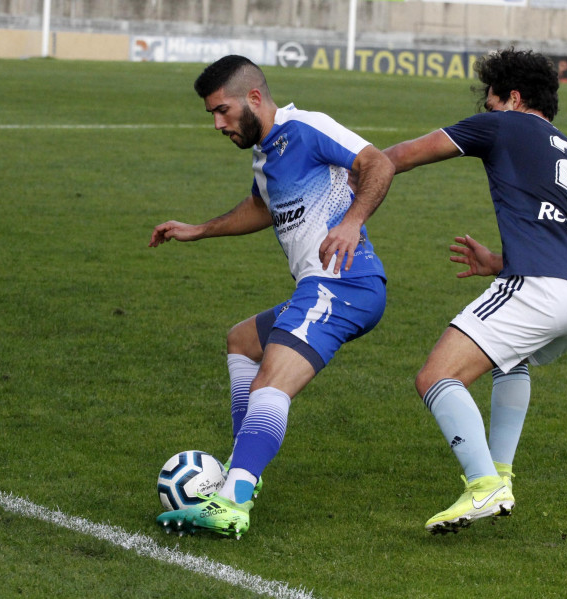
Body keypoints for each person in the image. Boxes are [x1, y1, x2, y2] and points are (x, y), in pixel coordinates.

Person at [148, 55, 395, 539]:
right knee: (242, 341)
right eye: (212, 115)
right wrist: (199, 230)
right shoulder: (265, 157)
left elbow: (377, 163)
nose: (218, 124)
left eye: (222, 111)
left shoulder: (307, 127)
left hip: (343, 284)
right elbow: (261, 208)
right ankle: (244, 471)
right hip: (323, 287)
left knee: (270, 384)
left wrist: (351, 221)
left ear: (254, 98)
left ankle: (234, 501)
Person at [382, 48, 567, 534]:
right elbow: (565, 239)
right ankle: (500, 474)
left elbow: (400, 157)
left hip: (539, 290)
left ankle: (483, 484)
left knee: (436, 376)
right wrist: (499, 263)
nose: (486, 111)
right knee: (512, 359)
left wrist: (344, 169)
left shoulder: (505, 124)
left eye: (490, 101)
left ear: (513, 98)